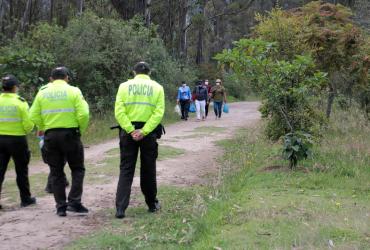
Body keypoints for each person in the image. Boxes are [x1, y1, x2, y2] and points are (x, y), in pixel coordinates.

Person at [29, 67, 90, 217]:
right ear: (67, 78)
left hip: (50, 135)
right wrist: (79, 129)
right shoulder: (74, 91)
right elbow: (84, 114)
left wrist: (44, 128)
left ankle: (61, 207)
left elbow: (33, 115)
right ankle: (74, 202)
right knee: (77, 169)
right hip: (70, 134)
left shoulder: (42, 92)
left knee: (55, 172)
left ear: (50, 79)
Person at [115, 62, 165, 219]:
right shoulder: (157, 88)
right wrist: (143, 131)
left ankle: (120, 209)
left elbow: (119, 111)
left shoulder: (124, 86)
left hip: (128, 133)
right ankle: (152, 204)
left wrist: (130, 130)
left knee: (126, 169)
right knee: (148, 169)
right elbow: (158, 113)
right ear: (149, 72)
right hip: (148, 134)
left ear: (133, 72)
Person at [0, 74, 36, 209]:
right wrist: (28, 129)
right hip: (17, 140)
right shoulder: (20, 102)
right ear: (15, 87)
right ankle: (25, 199)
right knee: (21, 170)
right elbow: (28, 125)